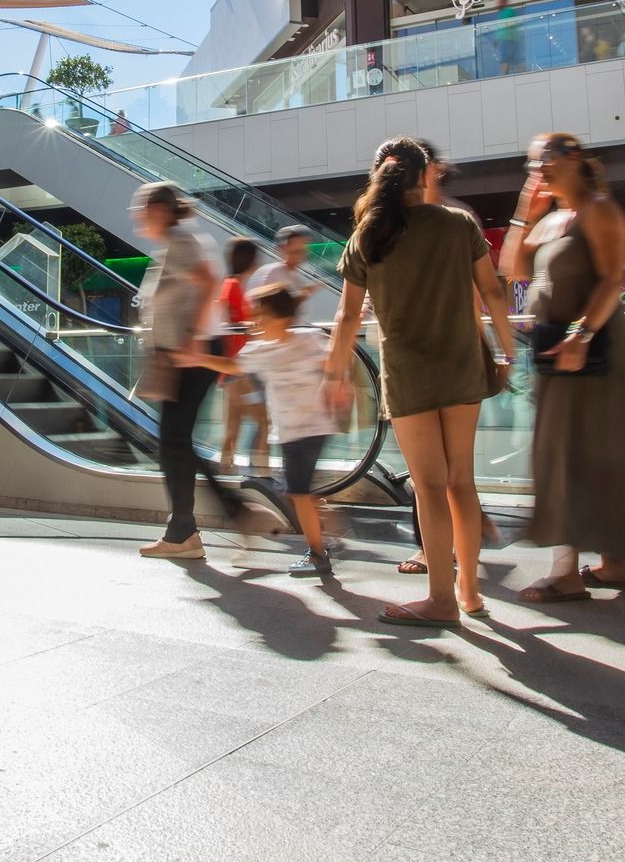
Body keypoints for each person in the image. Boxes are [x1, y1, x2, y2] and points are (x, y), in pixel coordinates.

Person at [323, 138, 514, 626]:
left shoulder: (368, 234)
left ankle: (440, 600)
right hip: (462, 364)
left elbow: (346, 316)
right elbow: (491, 289)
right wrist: (510, 350)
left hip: (408, 373)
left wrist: (335, 375)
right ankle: (469, 593)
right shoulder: (458, 225)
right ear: (425, 174)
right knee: (461, 483)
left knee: (428, 486)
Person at [498, 133, 625, 603]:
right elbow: (512, 269)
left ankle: (566, 573)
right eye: (531, 164)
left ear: (571, 157)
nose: (537, 171)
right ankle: (612, 565)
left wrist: (582, 334)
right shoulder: (551, 219)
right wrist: (525, 210)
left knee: (578, 455)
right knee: (577, 454)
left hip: (595, 351)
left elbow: (614, 278)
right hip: (561, 353)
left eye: (543, 161)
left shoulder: (599, 210)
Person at [177, 285, 339, 577]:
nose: (253, 322)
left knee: (298, 493)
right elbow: (235, 367)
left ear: (280, 317)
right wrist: (199, 359)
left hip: (307, 429)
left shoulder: (298, 341)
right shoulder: (271, 346)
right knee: (298, 492)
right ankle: (324, 528)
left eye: (259, 315)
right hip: (300, 430)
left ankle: (318, 552)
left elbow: (333, 361)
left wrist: (340, 384)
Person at [399, 138, 502, 577]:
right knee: (448, 474)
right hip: (458, 352)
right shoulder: (458, 220)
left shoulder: (439, 220)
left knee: (435, 475)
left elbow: (483, 289)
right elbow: (490, 288)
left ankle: (444, 562)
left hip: (434, 356)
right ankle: (464, 579)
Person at [130, 182, 248, 560]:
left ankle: (187, 530)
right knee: (175, 441)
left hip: (188, 353)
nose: (138, 216)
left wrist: (195, 338)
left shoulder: (181, 239)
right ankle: (203, 521)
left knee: (173, 441)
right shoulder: (173, 244)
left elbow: (209, 281)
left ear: (161, 210)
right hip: (177, 354)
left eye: (143, 209)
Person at [215, 237, 267, 475]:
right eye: (256, 256)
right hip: (238, 368)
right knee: (265, 422)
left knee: (233, 427)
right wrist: (250, 326)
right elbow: (227, 323)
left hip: (233, 370)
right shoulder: (232, 286)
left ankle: (228, 474)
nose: (259, 261)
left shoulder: (233, 285)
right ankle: (260, 474)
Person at [247, 226, 318, 306]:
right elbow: (257, 307)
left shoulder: (296, 277)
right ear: (284, 249)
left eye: (303, 252)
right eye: (295, 252)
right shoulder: (271, 272)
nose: (299, 257)